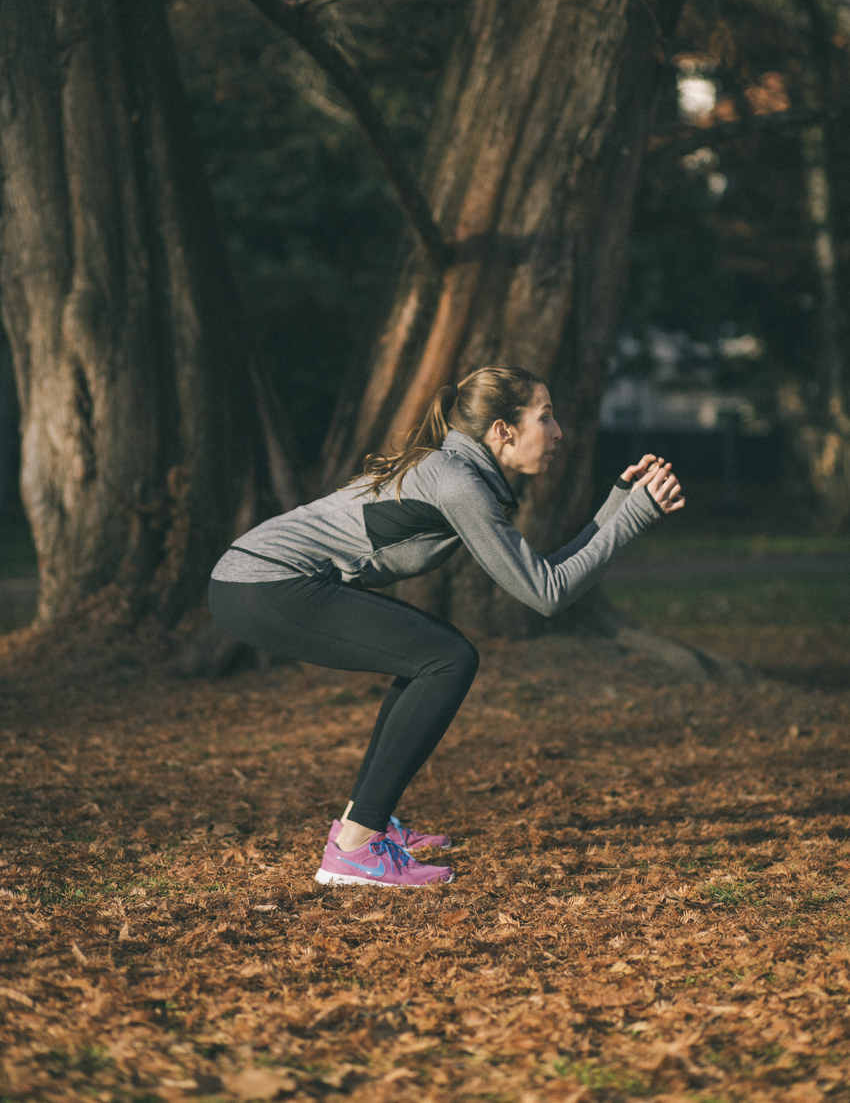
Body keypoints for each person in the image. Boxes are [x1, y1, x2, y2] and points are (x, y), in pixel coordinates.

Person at [208, 365, 684, 889]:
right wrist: (635, 517)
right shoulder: (458, 483)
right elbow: (546, 594)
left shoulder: (458, 470)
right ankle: (356, 849)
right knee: (446, 658)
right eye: (545, 418)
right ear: (503, 431)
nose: (558, 432)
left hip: (254, 579)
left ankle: (362, 821)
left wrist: (618, 502)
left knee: (428, 659)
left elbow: (542, 576)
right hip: (263, 584)